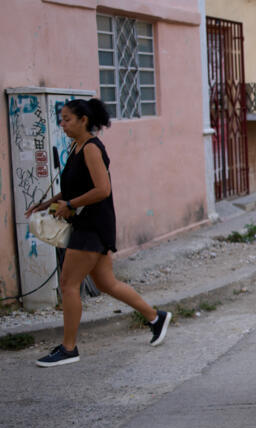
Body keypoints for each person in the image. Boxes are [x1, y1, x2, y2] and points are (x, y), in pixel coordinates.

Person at [24, 98, 171, 367]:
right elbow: (76, 188)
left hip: (92, 225)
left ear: (84, 120)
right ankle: (156, 317)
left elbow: (102, 189)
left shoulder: (92, 148)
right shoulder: (76, 146)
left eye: (67, 119)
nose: (63, 124)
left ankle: (69, 348)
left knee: (69, 285)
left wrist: (70, 205)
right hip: (90, 224)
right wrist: (49, 203)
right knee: (106, 283)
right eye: (62, 119)